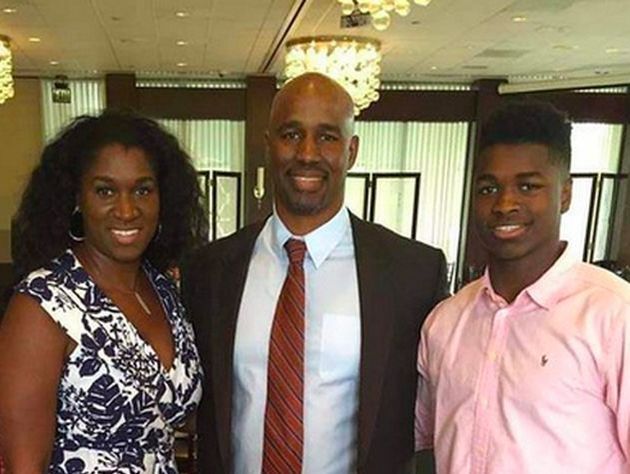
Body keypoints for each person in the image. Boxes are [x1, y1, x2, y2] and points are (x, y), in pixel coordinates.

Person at [182, 72, 448, 474]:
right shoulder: (210, 271)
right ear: (268, 144)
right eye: (291, 134)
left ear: (351, 151)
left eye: (327, 137)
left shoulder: (412, 274)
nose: (307, 153)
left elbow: (436, 416)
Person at [415, 101, 630, 473]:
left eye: (528, 186)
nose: (505, 204)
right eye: (488, 188)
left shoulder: (613, 315)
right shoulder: (445, 323)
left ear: (565, 194)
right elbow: (426, 440)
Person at [0, 110, 208, 472]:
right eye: (105, 191)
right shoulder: (43, 304)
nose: (126, 210)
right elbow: (25, 466)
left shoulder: (163, 291)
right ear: (77, 198)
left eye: (142, 190)